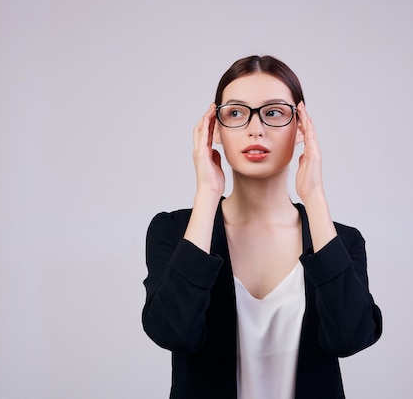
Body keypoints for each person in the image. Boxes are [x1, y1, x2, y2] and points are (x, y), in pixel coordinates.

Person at [142, 55, 382, 399]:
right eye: (236, 113)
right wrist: (208, 193)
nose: (256, 128)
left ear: (300, 127)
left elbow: (351, 337)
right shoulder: (174, 230)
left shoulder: (340, 240)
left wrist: (314, 196)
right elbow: (172, 332)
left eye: (273, 112)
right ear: (216, 129)